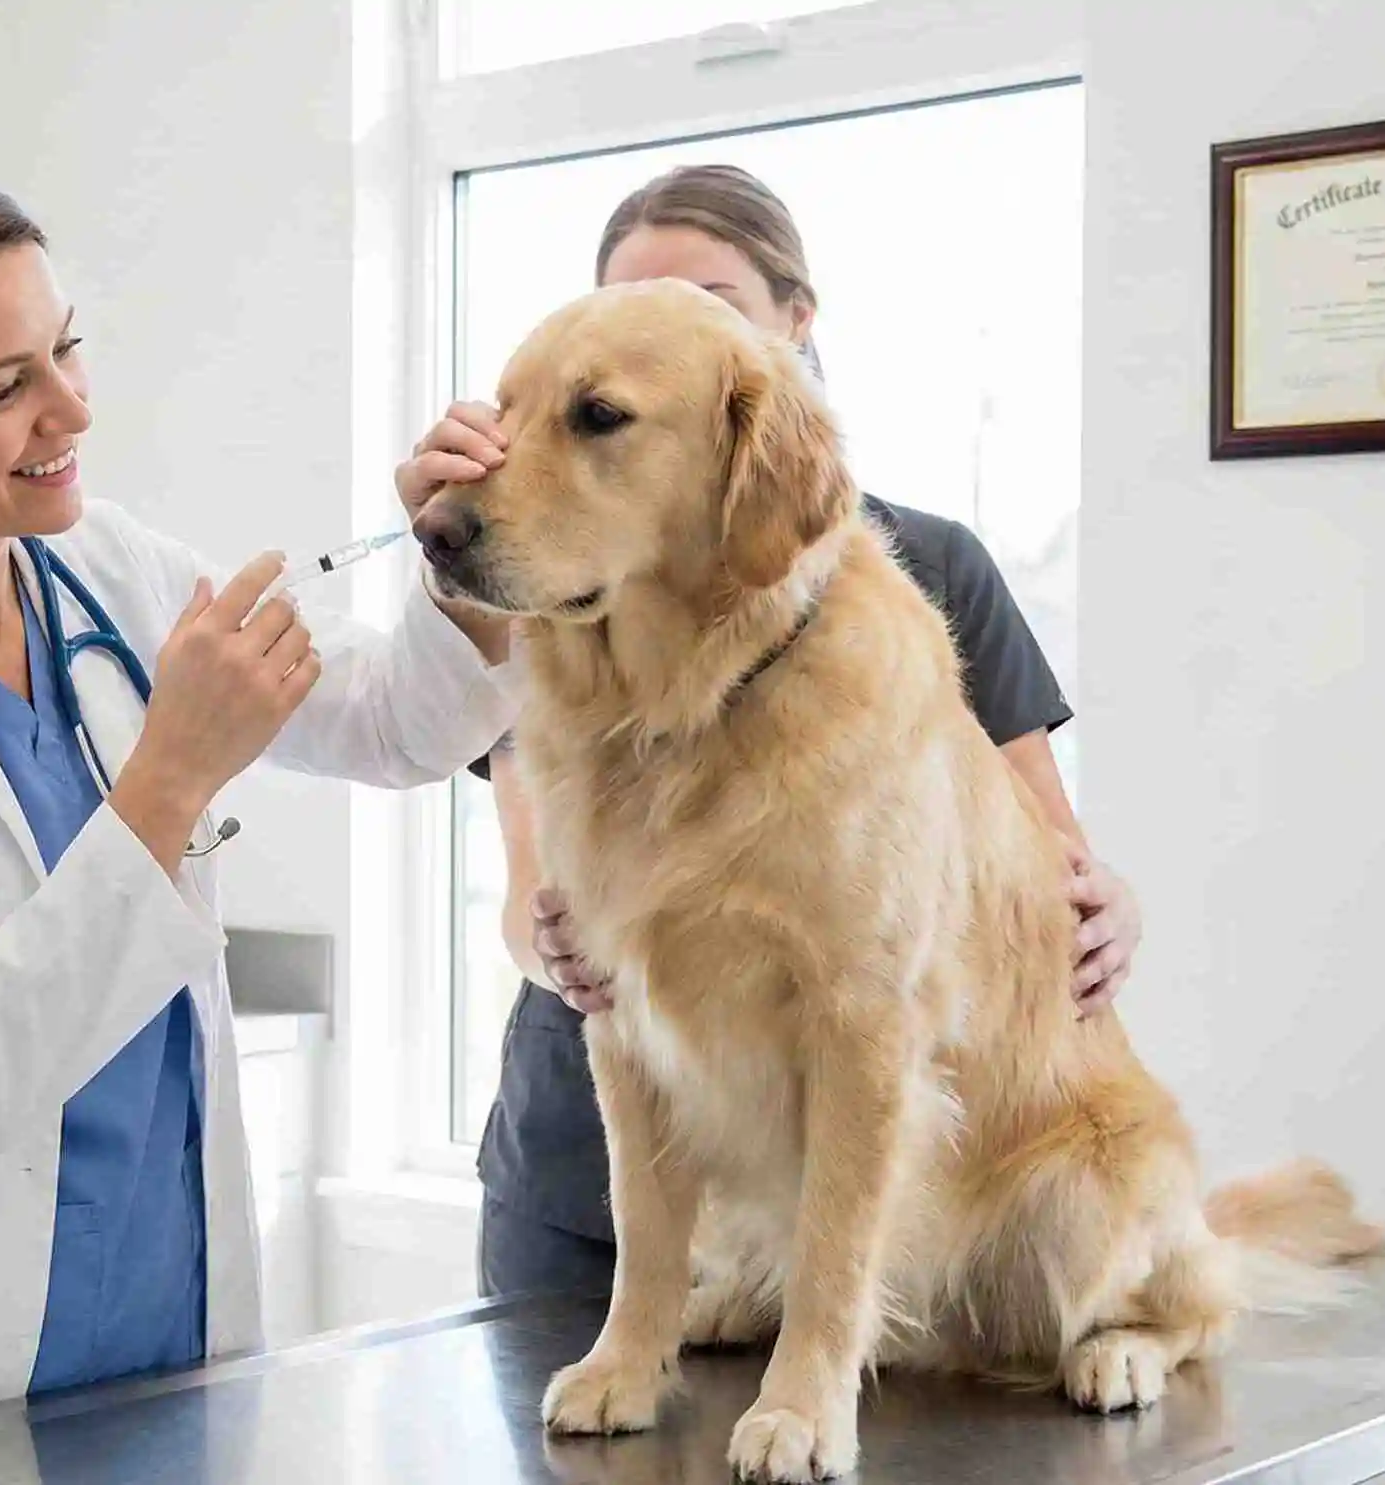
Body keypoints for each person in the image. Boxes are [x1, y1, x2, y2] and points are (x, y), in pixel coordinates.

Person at [0, 153, 517, 1485]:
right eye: (2, 388)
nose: (70, 408)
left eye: (65, 349)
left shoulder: (106, 569)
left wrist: (461, 554)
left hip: (168, 1331)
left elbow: (395, 727)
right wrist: (169, 776)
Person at [394, 163, 1144, 1303]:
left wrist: (1108, 909)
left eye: (712, 301)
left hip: (856, 1196)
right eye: (626, 301)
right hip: (583, 1171)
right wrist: (559, 950)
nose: (666, 320)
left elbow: (1031, 876)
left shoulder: (929, 569)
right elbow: (526, 904)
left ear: (793, 325)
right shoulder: (548, 591)